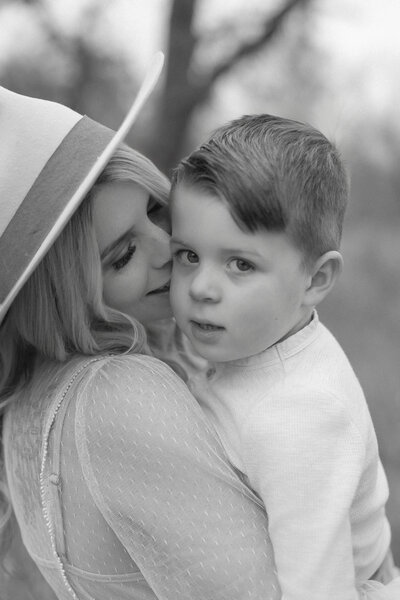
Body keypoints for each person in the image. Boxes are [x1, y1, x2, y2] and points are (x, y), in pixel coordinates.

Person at [0, 81, 282, 599]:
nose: (167, 248)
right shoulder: (119, 393)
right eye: (122, 256)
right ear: (60, 298)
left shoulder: (30, 403)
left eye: (155, 210)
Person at [168, 114, 400, 600]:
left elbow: (318, 589)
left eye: (240, 264)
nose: (201, 288)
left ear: (315, 281)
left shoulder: (301, 418)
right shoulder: (250, 336)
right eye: (187, 255)